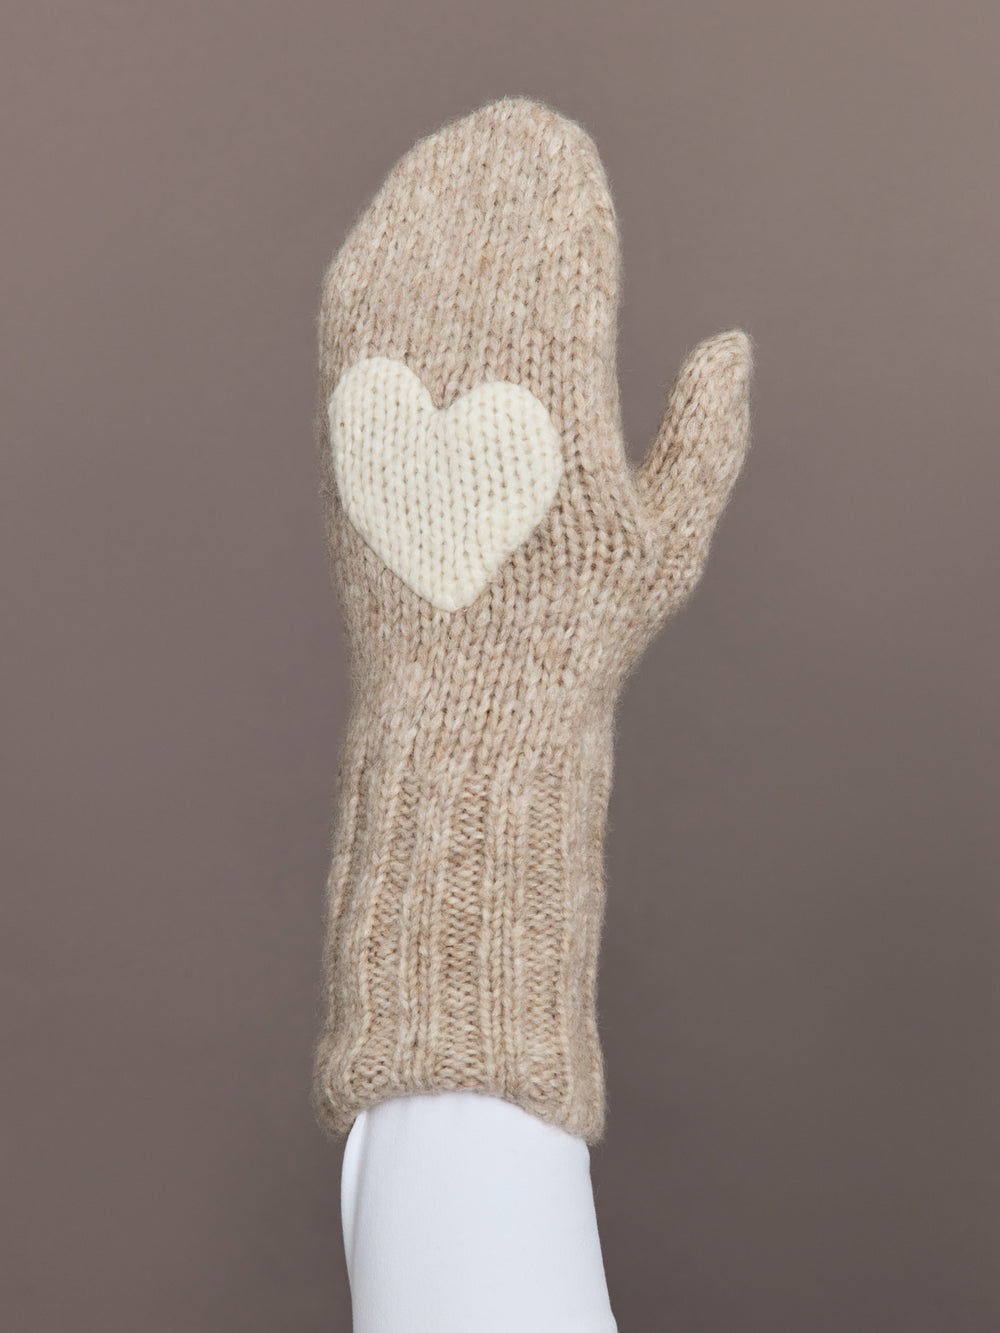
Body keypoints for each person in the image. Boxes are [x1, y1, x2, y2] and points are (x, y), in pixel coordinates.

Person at [311, 95, 753, 1332]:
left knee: (445, 1134)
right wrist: (524, 682)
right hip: (453, 1119)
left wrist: (456, 681)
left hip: (429, 1118)